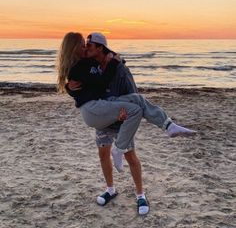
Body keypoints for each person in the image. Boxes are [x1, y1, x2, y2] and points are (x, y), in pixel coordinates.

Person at [57, 32, 197, 215]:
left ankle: (140, 195)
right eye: (84, 45)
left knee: (131, 157)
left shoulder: (118, 67)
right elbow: (87, 89)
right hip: (102, 116)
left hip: (120, 120)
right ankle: (110, 189)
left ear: (100, 48)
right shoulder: (87, 65)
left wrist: (126, 110)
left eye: (89, 46)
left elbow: (131, 91)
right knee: (103, 155)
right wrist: (69, 88)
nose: (86, 48)